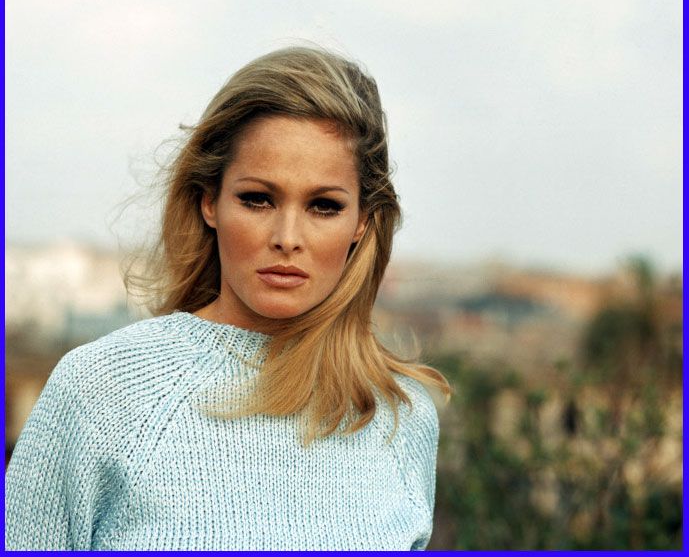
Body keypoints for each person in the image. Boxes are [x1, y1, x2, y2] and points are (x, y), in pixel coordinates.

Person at [4, 44, 452, 550]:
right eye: (257, 199)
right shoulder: (102, 392)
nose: (287, 237)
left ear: (362, 223)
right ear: (209, 202)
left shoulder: (402, 415)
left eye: (323, 206)